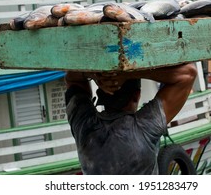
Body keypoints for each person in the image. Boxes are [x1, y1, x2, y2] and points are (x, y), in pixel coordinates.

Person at [64, 63, 197, 175]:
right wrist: (129, 74)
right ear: (136, 96)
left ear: (101, 93)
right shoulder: (144, 128)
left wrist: (97, 76)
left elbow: (72, 78)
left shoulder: (84, 127)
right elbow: (188, 74)